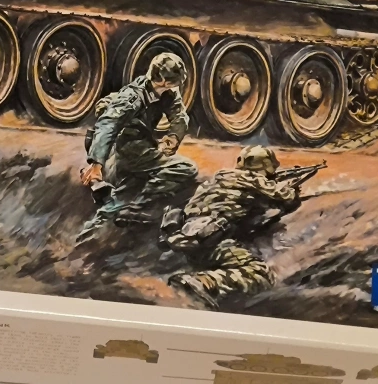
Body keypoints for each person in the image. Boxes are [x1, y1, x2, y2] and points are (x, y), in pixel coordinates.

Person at [163, 145, 305, 308]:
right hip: (216, 241)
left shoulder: (214, 181)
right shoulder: (252, 179)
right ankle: (203, 282)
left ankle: (208, 281)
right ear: (266, 165)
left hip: (191, 240)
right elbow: (288, 199)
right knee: (260, 274)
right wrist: (292, 189)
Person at [76, 51, 197, 238]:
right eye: (173, 82)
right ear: (163, 81)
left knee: (123, 194)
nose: (175, 87)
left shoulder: (166, 93)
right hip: (124, 150)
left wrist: (172, 137)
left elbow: (179, 116)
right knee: (185, 168)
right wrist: (96, 165)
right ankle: (138, 207)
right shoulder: (132, 97)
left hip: (138, 149)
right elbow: (108, 125)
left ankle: (89, 233)